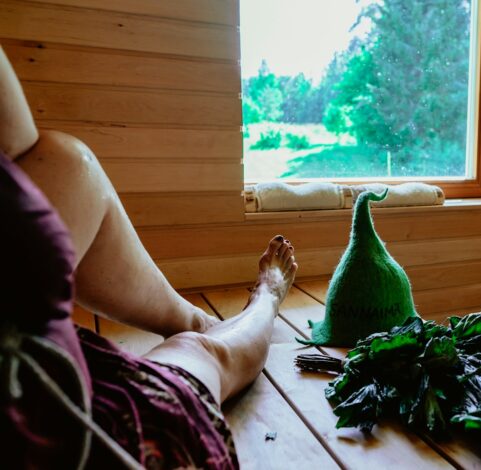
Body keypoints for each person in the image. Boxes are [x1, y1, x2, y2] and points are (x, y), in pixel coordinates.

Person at [0, 46, 296, 468]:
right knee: (207, 355)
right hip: (66, 428)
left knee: (67, 162)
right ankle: (262, 298)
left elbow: (20, 144)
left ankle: (191, 320)